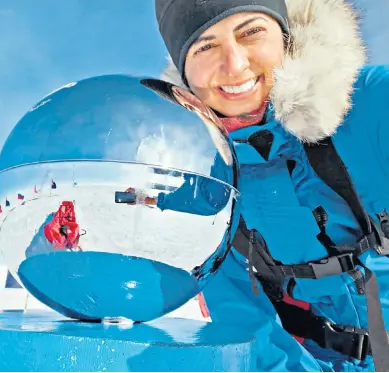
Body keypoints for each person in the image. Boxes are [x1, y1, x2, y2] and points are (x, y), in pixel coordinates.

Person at [135, 0, 389, 371]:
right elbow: (248, 331)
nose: (234, 65)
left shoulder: (375, 105)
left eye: (251, 31)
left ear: (285, 35)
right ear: (185, 72)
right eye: (205, 46)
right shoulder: (205, 185)